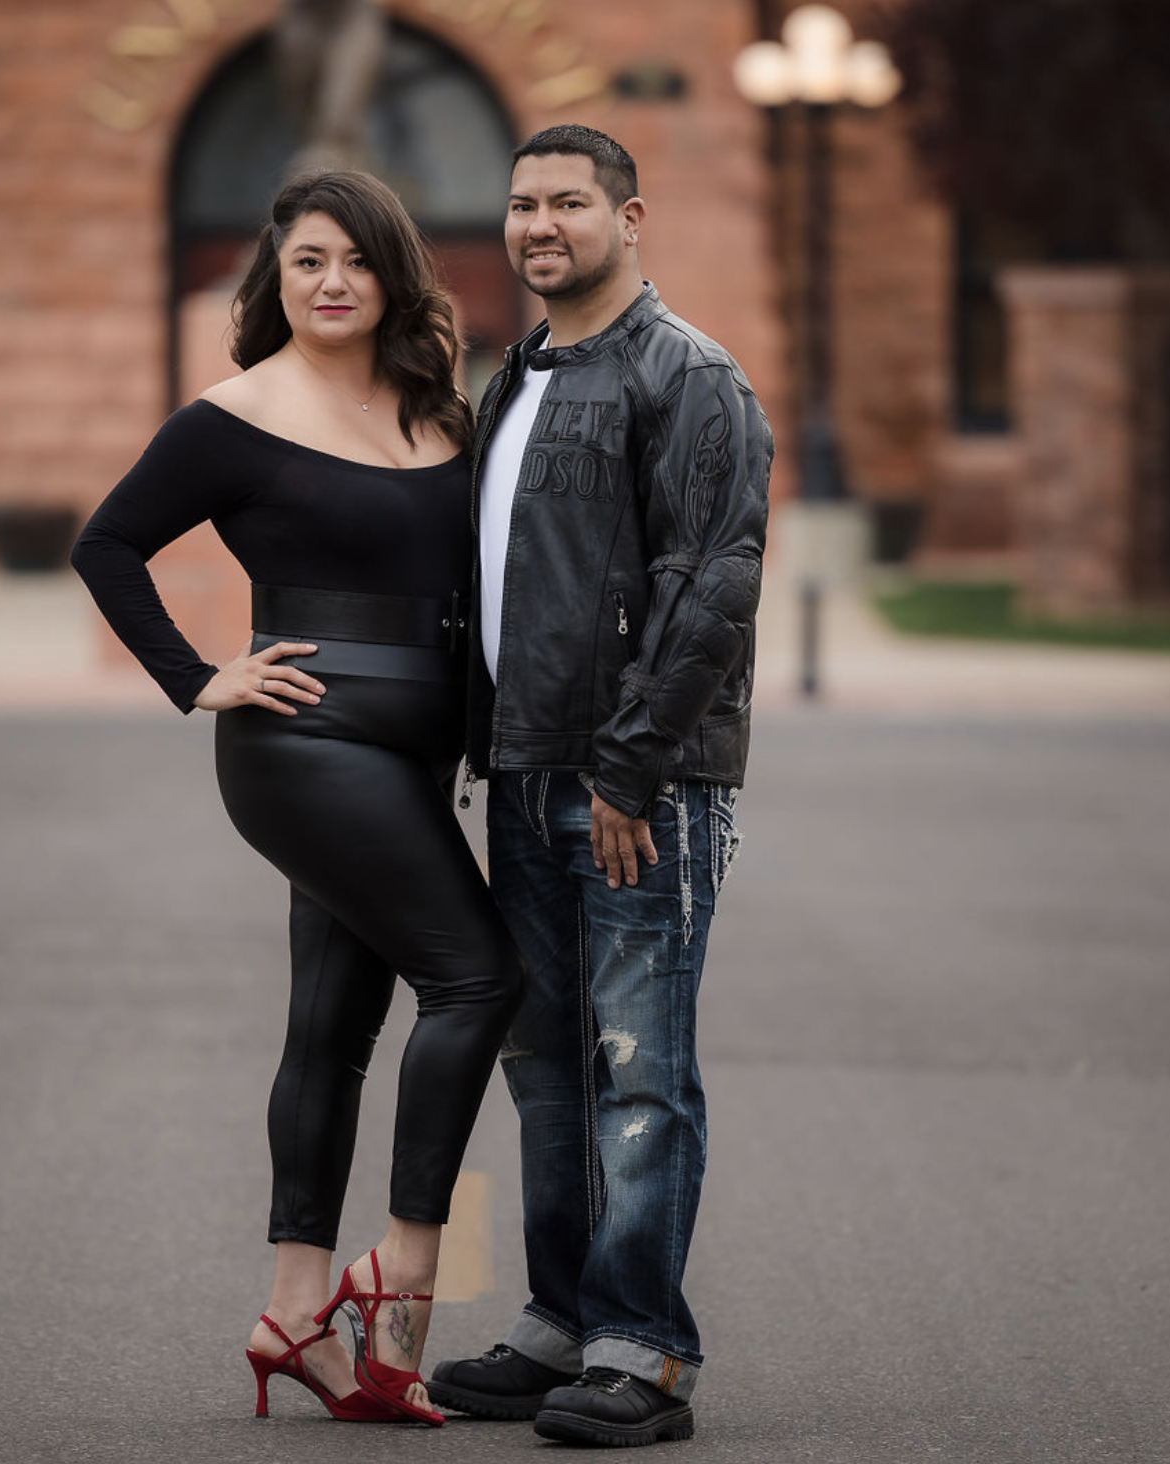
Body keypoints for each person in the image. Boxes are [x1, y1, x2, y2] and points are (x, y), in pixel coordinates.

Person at [70, 168, 523, 1428]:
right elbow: (106, 544)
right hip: (305, 747)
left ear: (394, 277)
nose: (331, 283)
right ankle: (407, 1264)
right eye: (308, 261)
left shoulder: (439, 407)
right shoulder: (232, 416)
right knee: (479, 978)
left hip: (419, 747)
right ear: (275, 276)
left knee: (333, 1027)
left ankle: (289, 1312)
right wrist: (197, 677)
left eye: (356, 262)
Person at [428, 125, 772, 1448]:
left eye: (568, 202)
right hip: (525, 774)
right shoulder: (515, 374)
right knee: (548, 1068)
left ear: (631, 217)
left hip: (639, 787)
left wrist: (629, 769)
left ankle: (645, 1348)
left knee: (640, 1064)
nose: (538, 226)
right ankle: (563, 1321)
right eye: (520, 205)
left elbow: (713, 589)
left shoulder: (689, 377)